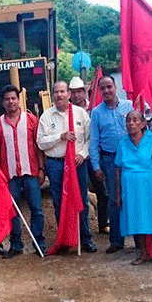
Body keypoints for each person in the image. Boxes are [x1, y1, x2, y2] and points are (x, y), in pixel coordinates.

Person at [0, 85, 47, 258]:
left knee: (37, 209)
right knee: (12, 211)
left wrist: (41, 169)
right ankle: (16, 244)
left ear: (19, 99)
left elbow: (38, 147)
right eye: (7, 99)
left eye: (13, 98)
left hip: (31, 173)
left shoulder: (32, 120)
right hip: (9, 176)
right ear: (2, 102)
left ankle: (39, 243)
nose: (10, 101)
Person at [38, 81, 97, 253]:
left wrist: (82, 154)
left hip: (77, 163)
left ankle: (85, 238)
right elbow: (41, 142)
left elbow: (89, 139)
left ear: (69, 94)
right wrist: (60, 137)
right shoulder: (46, 117)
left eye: (62, 91)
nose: (59, 95)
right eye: (56, 92)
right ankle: (64, 239)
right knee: (60, 203)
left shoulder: (80, 114)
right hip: (56, 164)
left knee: (81, 201)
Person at [115, 110, 152, 265]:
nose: (131, 123)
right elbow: (118, 169)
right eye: (128, 120)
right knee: (136, 218)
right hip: (132, 189)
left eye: (135, 120)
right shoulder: (123, 143)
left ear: (142, 124)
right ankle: (142, 253)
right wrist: (118, 194)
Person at [90, 76, 133, 253]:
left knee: (132, 198)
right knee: (115, 200)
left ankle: (139, 238)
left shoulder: (129, 106)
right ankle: (116, 240)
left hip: (130, 159)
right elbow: (94, 141)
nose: (107, 91)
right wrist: (96, 166)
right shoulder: (96, 113)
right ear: (100, 91)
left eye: (110, 87)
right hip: (109, 161)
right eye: (103, 88)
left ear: (116, 87)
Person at [70, 76, 109, 235]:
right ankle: (83, 230)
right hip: (77, 159)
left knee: (103, 191)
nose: (77, 95)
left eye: (80, 91)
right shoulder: (68, 112)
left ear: (85, 92)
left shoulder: (95, 110)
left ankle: (103, 223)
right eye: (74, 92)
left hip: (94, 157)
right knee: (80, 195)